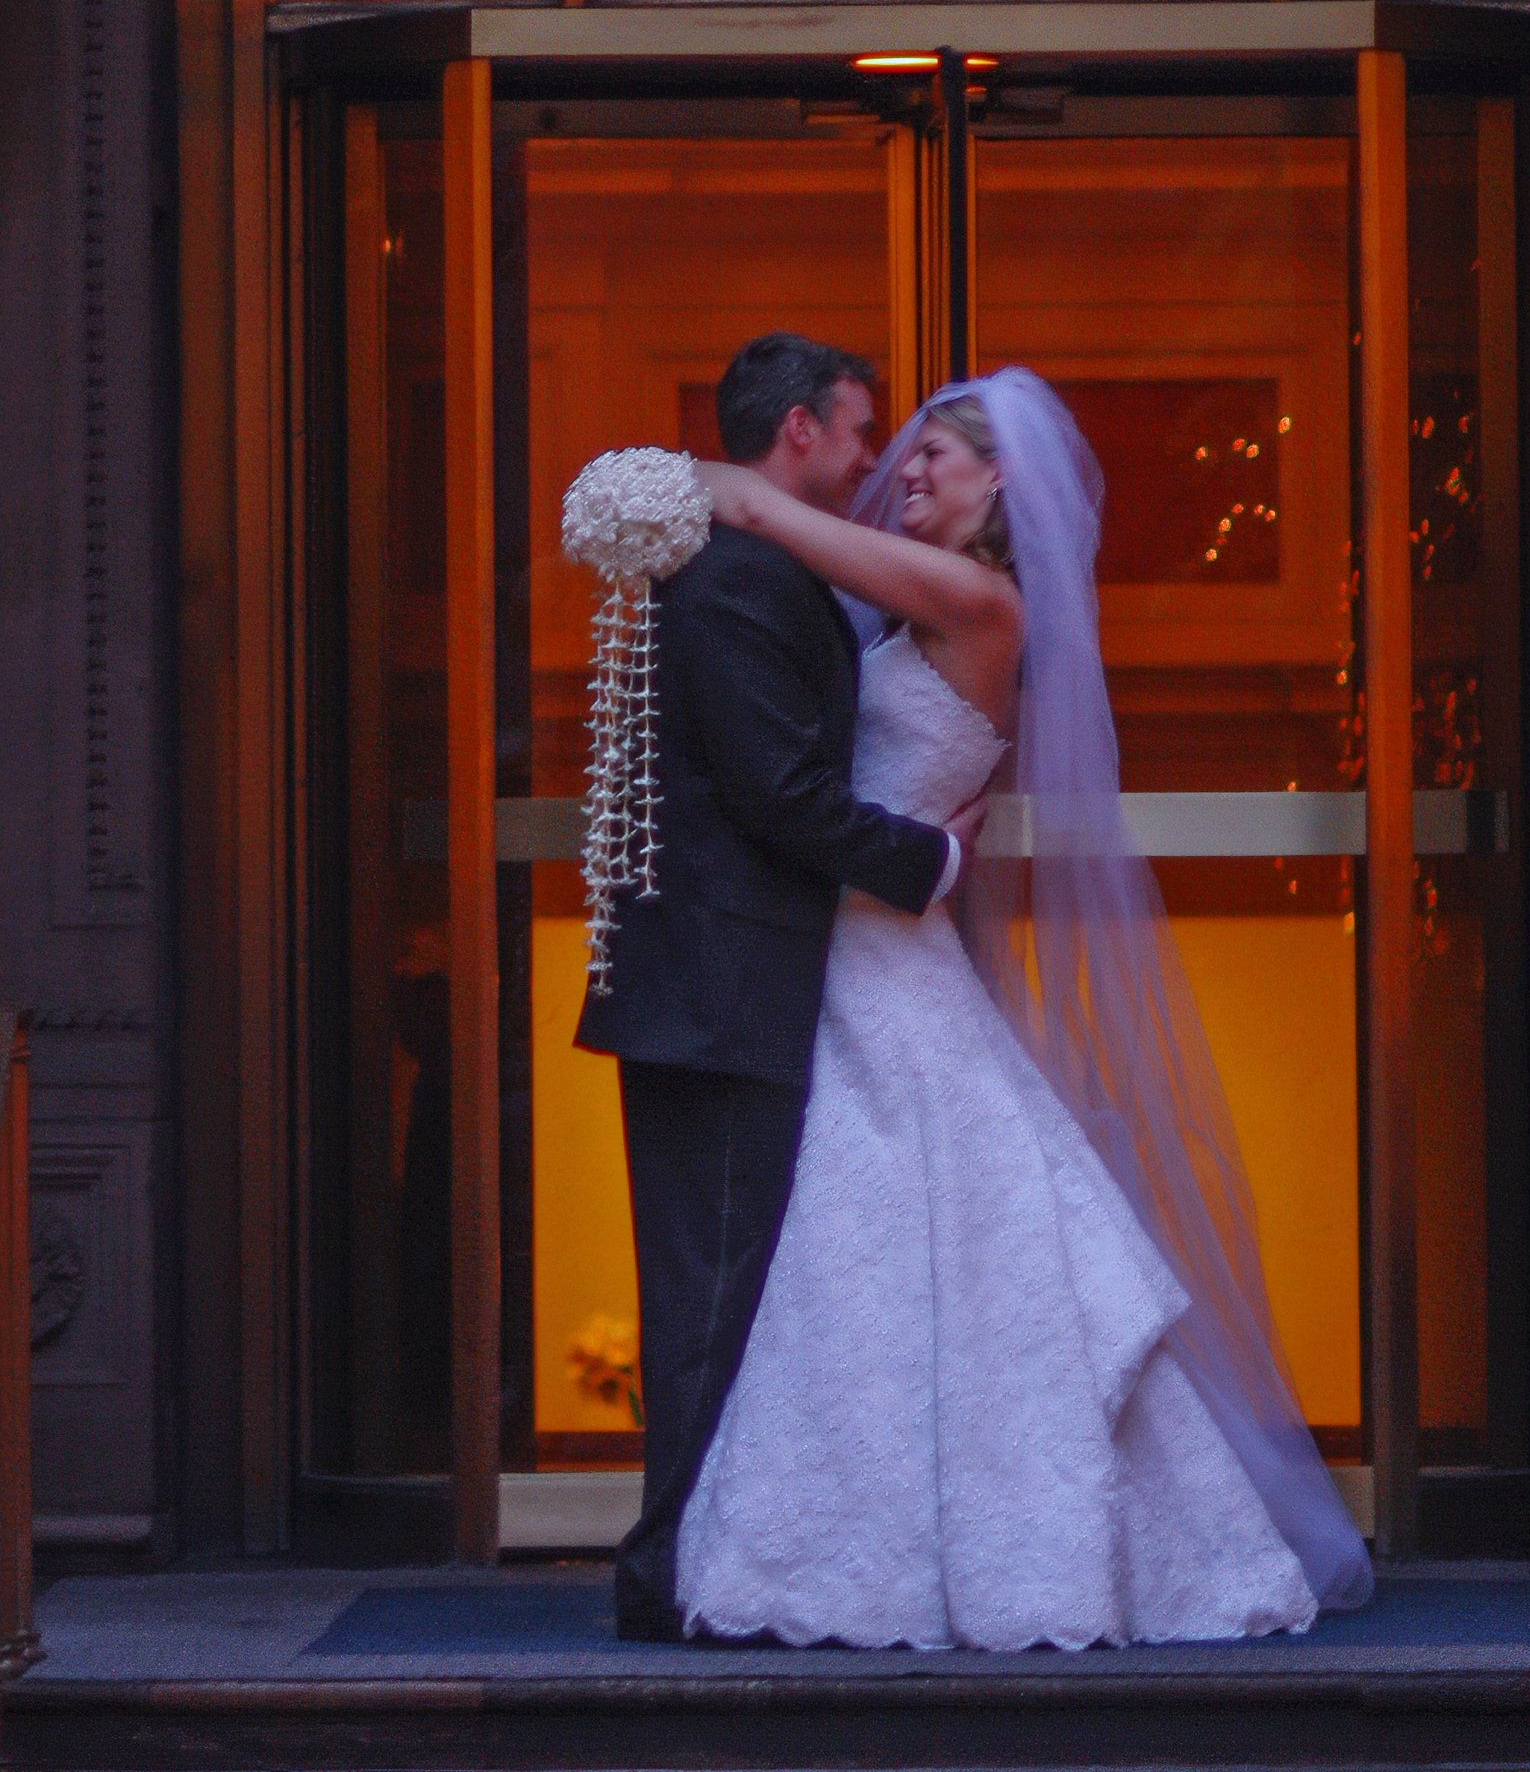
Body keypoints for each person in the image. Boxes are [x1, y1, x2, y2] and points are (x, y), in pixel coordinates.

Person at [672, 369, 1375, 1647]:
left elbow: (791, 532)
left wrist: (730, 490)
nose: (909, 474)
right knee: (871, 1258)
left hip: (887, 964)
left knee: (892, 1239)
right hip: (856, 956)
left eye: (937, 456)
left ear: (1002, 483)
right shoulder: (902, 608)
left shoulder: (982, 600)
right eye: (910, 454)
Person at [575, 333, 972, 1641]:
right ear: (798, 430)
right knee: (709, 1293)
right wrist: (929, 857)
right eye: (859, 432)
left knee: (724, 1283)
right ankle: (671, 1574)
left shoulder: (752, 559)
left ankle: (700, 1558)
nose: (871, 458)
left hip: (719, 988)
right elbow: (779, 793)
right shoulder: (742, 573)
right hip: (718, 993)